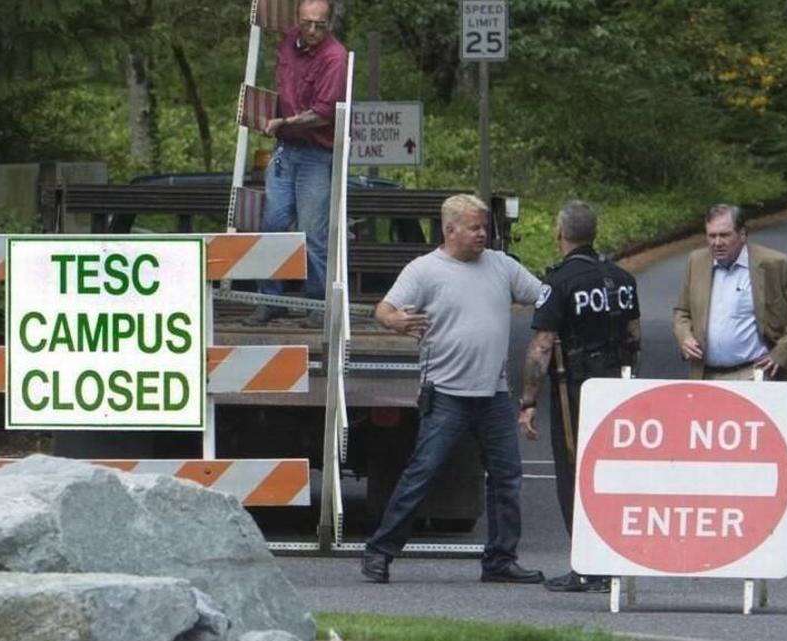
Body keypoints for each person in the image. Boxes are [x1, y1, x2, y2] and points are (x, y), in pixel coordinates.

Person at [361, 194, 545, 585]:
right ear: (450, 230)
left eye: (484, 227)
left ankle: (500, 559)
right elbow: (384, 309)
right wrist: (396, 322)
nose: (483, 234)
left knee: (507, 477)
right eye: (475, 227)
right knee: (423, 474)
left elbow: (543, 296)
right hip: (446, 393)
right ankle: (379, 552)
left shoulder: (501, 265)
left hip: (493, 394)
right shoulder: (424, 270)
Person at [517, 201, 640, 593]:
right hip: (618, 386)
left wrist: (528, 400)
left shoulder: (560, 282)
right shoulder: (622, 279)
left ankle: (587, 565)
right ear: (595, 234)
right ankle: (614, 560)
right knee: (614, 474)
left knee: (574, 473)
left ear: (560, 233)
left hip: (577, 389)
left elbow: (541, 346)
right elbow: (634, 335)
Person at [244, 0, 347, 327]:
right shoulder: (289, 42)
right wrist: (266, 114)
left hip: (317, 154)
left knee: (313, 233)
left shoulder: (336, 57)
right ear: (298, 21)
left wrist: (282, 121)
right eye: (308, 23)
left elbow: (322, 114)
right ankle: (270, 300)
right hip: (286, 150)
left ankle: (317, 305)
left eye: (320, 24)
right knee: (272, 226)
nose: (313, 30)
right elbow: (282, 88)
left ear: (329, 23)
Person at [672, 203, 787, 399]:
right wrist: (684, 337)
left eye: (724, 235)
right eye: (711, 236)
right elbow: (682, 312)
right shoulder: (697, 262)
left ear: (742, 234)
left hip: (754, 374)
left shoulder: (773, 264)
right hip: (706, 375)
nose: (717, 243)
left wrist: (782, 351)